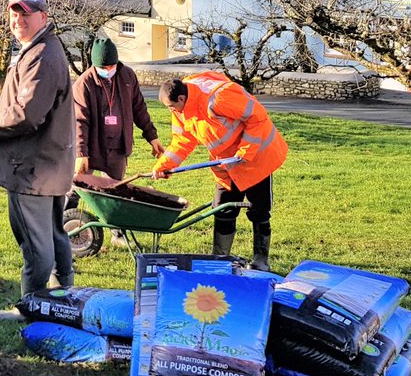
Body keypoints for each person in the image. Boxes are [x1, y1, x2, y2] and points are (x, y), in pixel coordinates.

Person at [0, 0, 74, 319]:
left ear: (43, 17)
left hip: (32, 168)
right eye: (14, 14)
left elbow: (26, 115)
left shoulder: (42, 56)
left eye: (26, 14)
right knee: (56, 235)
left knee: (36, 245)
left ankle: (32, 308)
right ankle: (64, 298)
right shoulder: (37, 49)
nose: (18, 20)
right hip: (50, 164)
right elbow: (10, 98)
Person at [152, 72, 287, 271]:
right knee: (223, 209)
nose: (172, 111)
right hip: (226, 164)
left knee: (258, 211)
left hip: (256, 159)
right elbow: (182, 140)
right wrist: (164, 165)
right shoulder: (181, 106)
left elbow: (257, 117)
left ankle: (260, 261)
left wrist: (245, 152)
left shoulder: (220, 98)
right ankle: (220, 260)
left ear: (181, 98)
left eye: (172, 107)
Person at [71, 36, 164, 246]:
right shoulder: (83, 83)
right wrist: (81, 153)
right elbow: (80, 121)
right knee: (76, 187)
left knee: (116, 192)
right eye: (103, 67)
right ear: (95, 65)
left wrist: (152, 137)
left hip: (118, 147)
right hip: (91, 147)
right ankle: (63, 228)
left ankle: (118, 234)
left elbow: (139, 108)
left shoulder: (127, 76)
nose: (108, 69)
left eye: (111, 65)